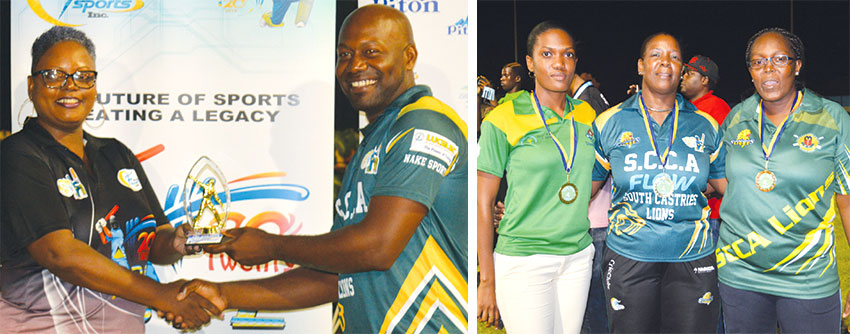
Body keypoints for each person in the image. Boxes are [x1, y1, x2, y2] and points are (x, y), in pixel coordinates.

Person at [169, 5, 469, 333]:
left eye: (371, 52)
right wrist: (224, 294)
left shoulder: (423, 125)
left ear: (409, 57)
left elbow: (377, 247)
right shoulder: (374, 140)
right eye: (344, 54)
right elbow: (338, 278)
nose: (355, 65)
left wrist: (271, 246)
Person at [0, 26, 220, 333]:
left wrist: (176, 242)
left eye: (83, 76)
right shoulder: (16, 154)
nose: (70, 87)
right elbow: (59, 253)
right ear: (31, 86)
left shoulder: (117, 154)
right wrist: (162, 295)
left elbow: (152, 241)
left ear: (94, 85)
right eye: (53, 75)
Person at [715, 27, 850, 333]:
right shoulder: (736, 118)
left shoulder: (831, 118)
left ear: (797, 65)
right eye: (758, 62)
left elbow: (847, 199)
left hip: (809, 278)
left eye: (779, 59)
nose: (768, 69)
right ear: (750, 71)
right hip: (741, 275)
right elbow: (720, 181)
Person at [591, 32, 726, 333]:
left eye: (675, 57)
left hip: (692, 258)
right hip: (629, 257)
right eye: (656, 55)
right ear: (640, 65)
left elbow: (723, 183)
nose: (666, 62)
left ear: (681, 70)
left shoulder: (705, 124)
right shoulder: (610, 122)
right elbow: (587, 187)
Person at [478, 21, 598, 333]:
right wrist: (487, 279)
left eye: (568, 55)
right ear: (530, 64)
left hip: (577, 255)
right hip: (524, 258)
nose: (559, 63)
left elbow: (594, 177)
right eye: (547, 54)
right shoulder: (502, 118)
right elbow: (482, 200)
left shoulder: (587, 116)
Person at [569, 72, 611, 334]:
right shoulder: (589, 97)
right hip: (592, 220)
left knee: (592, 308)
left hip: (594, 221)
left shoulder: (586, 102)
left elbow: (595, 162)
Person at [680, 55, 732, 245]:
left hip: (711, 212)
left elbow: (724, 158)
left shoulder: (716, 108)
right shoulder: (686, 108)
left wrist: (704, 189)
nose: (683, 77)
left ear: (704, 80)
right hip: (688, 209)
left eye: (689, 73)